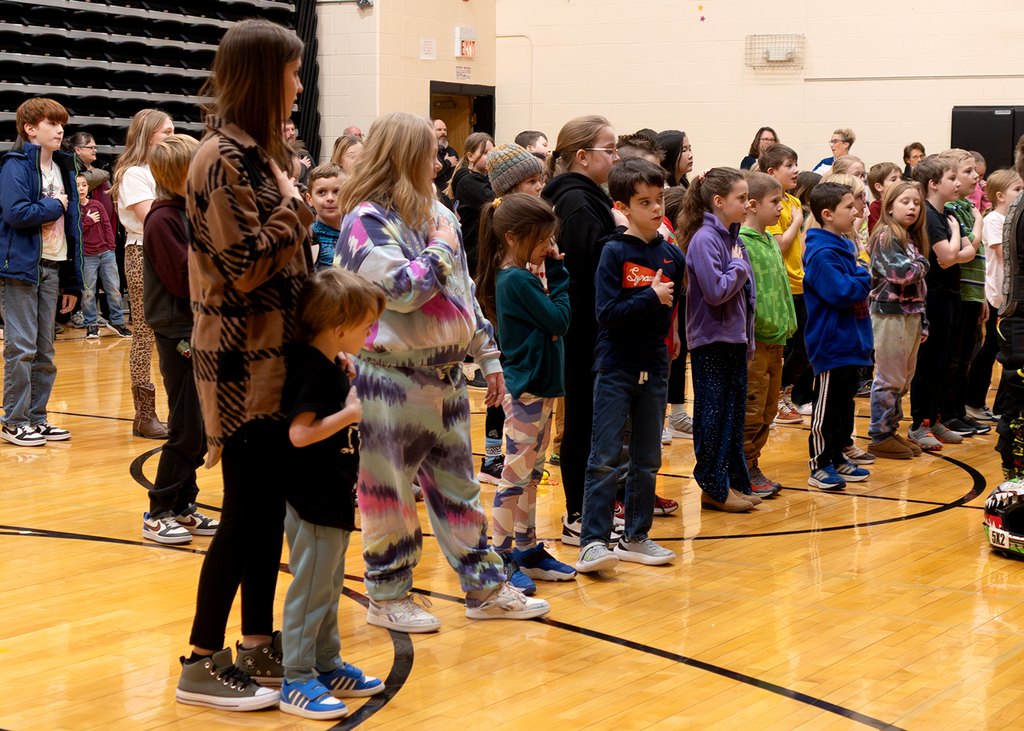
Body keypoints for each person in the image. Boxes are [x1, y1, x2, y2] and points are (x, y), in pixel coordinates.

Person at [335, 111, 549, 633]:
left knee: (460, 489)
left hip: (447, 376)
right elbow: (404, 291)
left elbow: (462, 295)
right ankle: (388, 595)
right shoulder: (365, 220)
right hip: (389, 377)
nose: (440, 160)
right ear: (402, 158)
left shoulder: (440, 213)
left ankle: (485, 587)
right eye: (430, 152)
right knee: (388, 495)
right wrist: (439, 246)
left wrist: (488, 353)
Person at [175, 19, 313, 711]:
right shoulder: (220, 158)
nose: (298, 84)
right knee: (242, 512)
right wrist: (296, 213)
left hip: (277, 355)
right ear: (263, 76)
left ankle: (256, 641)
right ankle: (200, 659)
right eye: (290, 72)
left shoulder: (262, 154)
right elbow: (242, 264)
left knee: (266, 513)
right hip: (239, 363)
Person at [278, 268, 386, 720]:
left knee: (328, 585)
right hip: (313, 498)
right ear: (340, 328)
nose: (370, 334)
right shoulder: (311, 373)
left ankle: (327, 663)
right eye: (366, 326)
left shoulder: (327, 364)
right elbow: (299, 435)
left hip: (333, 496)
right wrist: (350, 414)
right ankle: (297, 676)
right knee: (311, 589)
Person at [576, 158, 682, 571]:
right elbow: (606, 313)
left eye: (659, 200)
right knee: (604, 456)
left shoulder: (672, 254)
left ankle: (636, 537)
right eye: (644, 202)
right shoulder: (614, 252)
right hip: (616, 365)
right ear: (624, 205)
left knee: (647, 458)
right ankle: (593, 541)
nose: (656, 209)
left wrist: (670, 339)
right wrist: (649, 298)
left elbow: (675, 309)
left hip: (655, 365)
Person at [475, 193, 576, 591]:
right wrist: (561, 279)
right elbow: (561, 320)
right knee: (514, 479)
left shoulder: (527, 273)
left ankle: (527, 548)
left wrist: (552, 313)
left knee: (533, 475)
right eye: (542, 241)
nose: (549, 249)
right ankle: (499, 556)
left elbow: (553, 323)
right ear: (514, 238)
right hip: (528, 391)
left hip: (545, 387)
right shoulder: (515, 278)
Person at [541, 115, 620, 546]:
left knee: (592, 422)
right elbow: (586, 262)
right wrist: (624, 236)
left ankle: (590, 511)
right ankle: (577, 514)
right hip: (584, 326)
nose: (616, 156)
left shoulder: (588, 196)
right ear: (582, 156)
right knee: (584, 422)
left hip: (591, 324)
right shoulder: (575, 200)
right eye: (609, 148)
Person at [140, 133, 218, 543]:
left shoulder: (192, 211)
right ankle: (158, 510)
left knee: (202, 424)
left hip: (201, 326)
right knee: (188, 426)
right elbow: (182, 278)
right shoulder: (163, 219)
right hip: (180, 331)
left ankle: (185, 504)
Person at [0, 97, 80, 447]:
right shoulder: (15, 165)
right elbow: (16, 213)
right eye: (52, 123)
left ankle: (37, 417)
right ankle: (13, 420)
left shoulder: (65, 167)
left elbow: (74, 226)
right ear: (30, 129)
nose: (60, 130)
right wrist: (53, 204)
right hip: (20, 268)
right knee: (20, 347)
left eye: (62, 124)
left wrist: (73, 280)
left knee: (45, 349)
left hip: (54, 265)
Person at [677, 167, 758, 511]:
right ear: (719, 201)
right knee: (713, 415)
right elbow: (716, 291)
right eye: (741, 198)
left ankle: (733, 482)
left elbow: (747, 298)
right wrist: (738, 268)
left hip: (733, 338)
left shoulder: (734, 238)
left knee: (732, 416)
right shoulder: (705, 239)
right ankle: (712, 485)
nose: (747, 203)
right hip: (711, 340)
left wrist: (748, 340)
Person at [477, 143, 546, 486]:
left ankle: (496, 457)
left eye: (540, 179)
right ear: (510, 187)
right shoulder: (504, 226)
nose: (539, 187)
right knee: (501, 389)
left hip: (520, 322)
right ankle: (492, 457)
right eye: (532, 181)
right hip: (509, 323)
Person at [802, 182, 873, 489]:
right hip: (831, 343)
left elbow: (855, 280)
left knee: (845, 404)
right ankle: (819, 463)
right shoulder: (821, 253)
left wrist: (859, 272)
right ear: (828, 215)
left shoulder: (845, 247)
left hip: (852, 340)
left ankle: (838, 456)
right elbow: (844, 292)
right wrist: (862, 273)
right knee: (827, 407)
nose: (856, 211)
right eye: (848, 207)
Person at [111, 108, 174, 439]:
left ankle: (178, 405)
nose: (171, 136)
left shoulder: (168, 171)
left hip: (172, 251)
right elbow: (153, 218)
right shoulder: (135, 173)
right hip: (142, 252)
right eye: (166, 132)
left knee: (173, 328)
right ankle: (144, 414)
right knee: (145, 332)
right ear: (148, 135)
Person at [907, 155, 972, 451]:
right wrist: (958, 232)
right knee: (930, 361)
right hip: (933, 295)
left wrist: (958, 247)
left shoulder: (946, 213)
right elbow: (946, 256)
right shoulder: (933, 217)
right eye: (951, 178)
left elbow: (969, 251)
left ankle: (933, 419)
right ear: (933, 184)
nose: (958, 183)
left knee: (945, 361)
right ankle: (918, 423)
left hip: (950, 291)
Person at [865, 181, 930, 459]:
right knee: (889, 378)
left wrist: (923, 320)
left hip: (911, 315)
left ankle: (892, 430)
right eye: (905, 201)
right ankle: (879, 435)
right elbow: (901, 274)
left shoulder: (911, 237)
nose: (912, 207)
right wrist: (924, 264)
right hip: (889, 315)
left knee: (904, 379)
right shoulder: (886, 235)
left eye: (916, 202)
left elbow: (918, 287)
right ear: (889, 206)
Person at [739, 172, 795, 493]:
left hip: (776, 341)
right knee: (752, 407)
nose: (780, 208)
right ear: (752, 204)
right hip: (756, 343)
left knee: (769, 409)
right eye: (775, 202)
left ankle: (754, 462)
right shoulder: (743, 242)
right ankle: (745, 466)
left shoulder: (771, 240)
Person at [967, 169, 1024, 423]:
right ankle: (973, 401)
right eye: (1017, 190)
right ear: (1000, 195)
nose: (1021, 194)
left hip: (1007, 296)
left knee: (1004, 351)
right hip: (996, 296)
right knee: (990, 350)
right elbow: (1005, 254)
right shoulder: (994, 220)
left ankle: (999, 404)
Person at [938, 149, 988, 438]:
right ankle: (948, 413)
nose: (975, 176)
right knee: (953, 357)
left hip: (973, 293)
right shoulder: (953, 209)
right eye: (968, 171)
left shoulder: (968, 207)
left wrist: (981, 297)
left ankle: (958, 411)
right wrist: (980, 222)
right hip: (958, 291)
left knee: (966, 355)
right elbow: (967, 248)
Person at [759, 143, 807, 425]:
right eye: (789, 165)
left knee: (806, 348)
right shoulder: (776, 206)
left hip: (801, 283)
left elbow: (798, 244)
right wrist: (797, 221)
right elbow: (778, 244)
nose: (796, 170)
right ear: (771, 171)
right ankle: (776, 399)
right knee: (788, 348)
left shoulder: (795, 202)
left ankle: (782, 393)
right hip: (783, 286)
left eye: (795, 163)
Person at [77, 173, 131, 339]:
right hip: (86, 256)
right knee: (88, 293)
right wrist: (87, 220)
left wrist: (111, 247)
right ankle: (91, 325)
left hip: (106, 253)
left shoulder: (97, 205)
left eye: (84, 185)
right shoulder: (73, 209)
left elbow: (107, 226)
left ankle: (117, 321)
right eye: (78, 185)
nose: (81, 188)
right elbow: (74, 232)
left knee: (114, 289)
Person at [445, 132, 495, 276]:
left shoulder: (482, 179)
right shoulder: (470, 182)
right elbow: (496, 202)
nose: (490, 157)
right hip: (474, 251)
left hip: (480, 251)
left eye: (492, 153)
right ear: (471, 156)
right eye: (485, 153)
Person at [306, 162, 344, 271]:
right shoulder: (308, 239)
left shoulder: (356, 235)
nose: (330, 198)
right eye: (321, 192)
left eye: (337, 191)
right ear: (310, 199)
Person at [867, 162, 902, 235]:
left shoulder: (900, 204)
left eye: (900, 178)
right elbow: (876, 235)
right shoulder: (875, 208)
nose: (900, 182)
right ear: (879, 187)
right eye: (893, 180)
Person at [433, 118, 458, 205]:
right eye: (439, 130)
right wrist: (447, 163)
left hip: (451, 197)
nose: (443, 132)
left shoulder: (452, 152)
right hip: (435, 197)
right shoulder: (429, 152)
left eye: (445, 130)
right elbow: (429, 173)